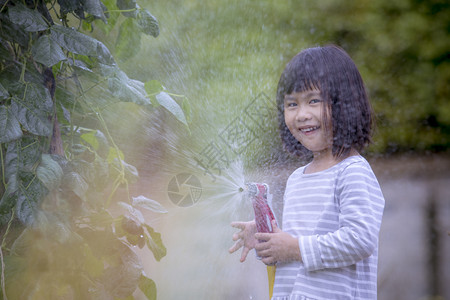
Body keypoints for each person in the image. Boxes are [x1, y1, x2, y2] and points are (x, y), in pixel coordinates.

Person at [229, 45, 385, 300]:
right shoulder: (297, 179)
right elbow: (293, 252)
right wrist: (269, 241)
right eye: (292, 104)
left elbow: (360, 240)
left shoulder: (352, 172)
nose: (302, 114)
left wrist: (295, 248)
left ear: (345, 104)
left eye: (313, 100)